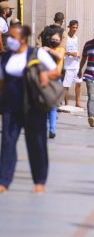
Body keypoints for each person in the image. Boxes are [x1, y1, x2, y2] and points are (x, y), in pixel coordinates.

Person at [0, 25, 57, 193]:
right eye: (7, 37)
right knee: (7, 143)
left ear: (22, 39)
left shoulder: (36, 53)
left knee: (36, 142)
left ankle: (40, 180)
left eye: (12, 37)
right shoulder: (6, 57)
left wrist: (45, 75)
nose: (8, 40)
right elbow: (2, 82)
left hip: (33, 106)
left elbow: (55, 71)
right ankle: (4, 181)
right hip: (11, 106)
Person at [43, 32, 65, 139]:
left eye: (57, 40)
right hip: (45, 80)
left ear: (60, 41)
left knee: (52, 107)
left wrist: (49, 50)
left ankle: (52, 130)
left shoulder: (60, 49)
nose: (55, 41)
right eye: (53, 39)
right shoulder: (44, 50)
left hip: (56, 81)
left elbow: (60, 56)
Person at [63, 20, 82, 107]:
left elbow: (76, 49)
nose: (75, 29)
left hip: (76, 64)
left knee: (78, 83)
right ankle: (66, 103)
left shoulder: (76, 38)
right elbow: (62, 50)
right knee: (66, 85)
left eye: (76, 27)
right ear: (69, 27)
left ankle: (77, 102)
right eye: (73, 27)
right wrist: (70, 54)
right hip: (68, 65)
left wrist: (77, 55)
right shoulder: (65, 37)